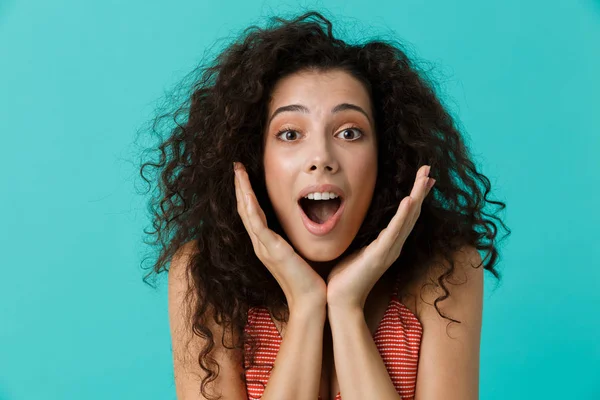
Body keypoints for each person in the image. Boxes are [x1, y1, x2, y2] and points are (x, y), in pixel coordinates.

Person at [138, 10, 509, 400]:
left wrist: (347, 309)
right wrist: (306, 306)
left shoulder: (447, 273)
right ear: (253, 158)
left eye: (349, 132)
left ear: (388, 156)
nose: (321, 157)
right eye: (290, 133)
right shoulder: (204, 274)